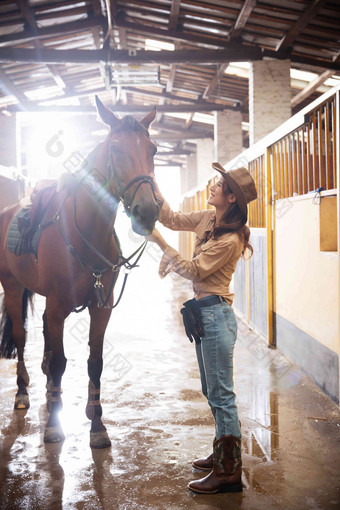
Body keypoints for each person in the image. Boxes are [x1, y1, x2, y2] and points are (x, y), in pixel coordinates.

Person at [145, 162, 257, 495]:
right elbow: (172, 218)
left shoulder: (231, 240)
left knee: (222, 395)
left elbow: (195, 271)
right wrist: (152, 184)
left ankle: (229, 472)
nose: (212, 185)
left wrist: (160, 244)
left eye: (219, 184)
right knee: (212, 391)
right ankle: (223, 453)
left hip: (216, 317)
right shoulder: (209, 218)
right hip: (204, 313)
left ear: (231, 197)